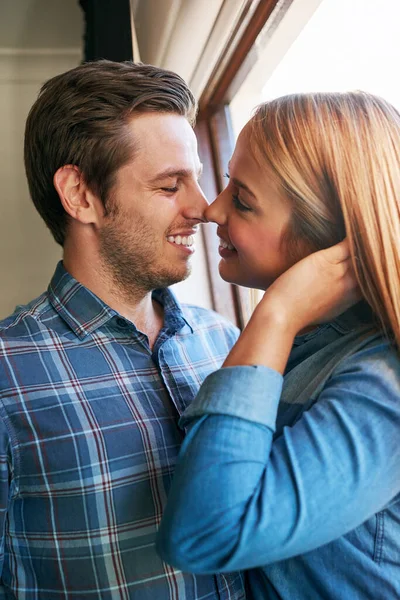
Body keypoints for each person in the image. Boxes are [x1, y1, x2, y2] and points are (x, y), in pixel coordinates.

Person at [0, 60, 247, 599]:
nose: (202, 209)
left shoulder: (225, 342)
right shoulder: (5, 376)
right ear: (80, 195)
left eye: (197, 180)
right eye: (168, 186)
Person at [157, 91, 400, 599]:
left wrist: (279, 312)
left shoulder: (384, 389)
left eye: (242, 200)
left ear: (327, 240)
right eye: (228, 185)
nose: (212, 209)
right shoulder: (306, 352)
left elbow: (203, 535)